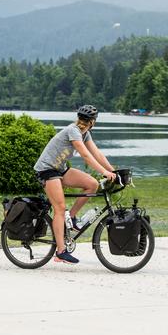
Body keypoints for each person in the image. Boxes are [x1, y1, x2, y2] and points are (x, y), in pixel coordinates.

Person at [33, 104, 116, 264]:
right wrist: (104, 172)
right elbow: (85, 155)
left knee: (92, 184)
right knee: (59, 208)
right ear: (93, 122)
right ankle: (61, 251)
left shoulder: (85, 134)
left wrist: (113, 171)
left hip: (60, 169)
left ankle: (70, 218)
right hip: (47, 170)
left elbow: (96, 153)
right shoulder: (73, 131)